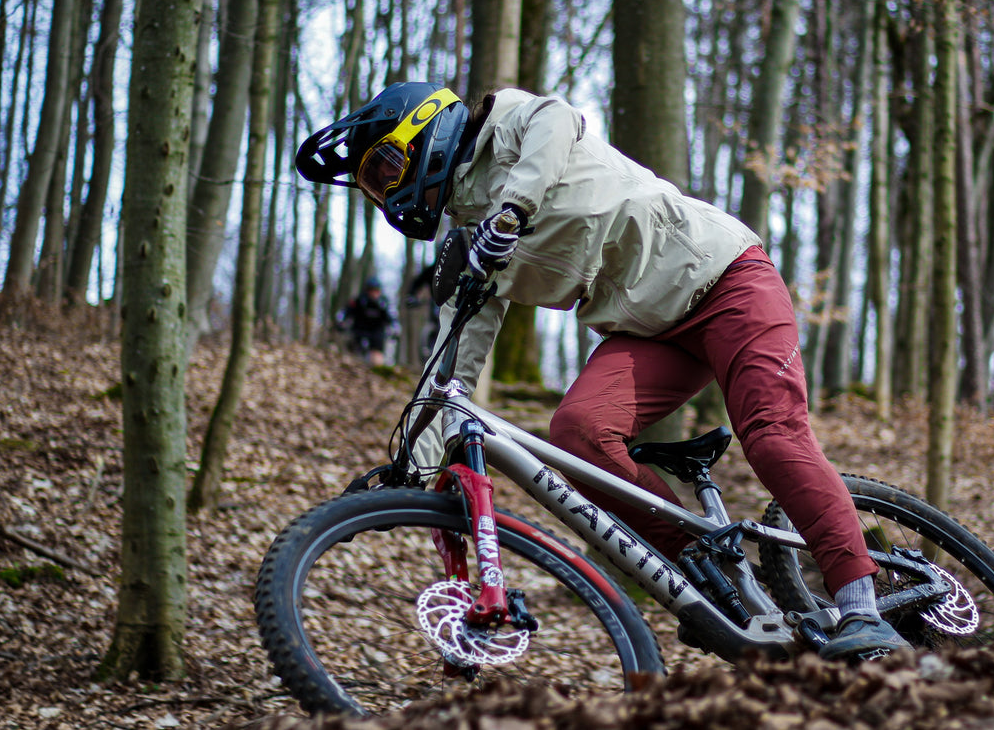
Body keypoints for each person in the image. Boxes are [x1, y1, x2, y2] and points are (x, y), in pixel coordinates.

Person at [296, 81, 907, 661]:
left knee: (771, 435)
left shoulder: (510, 122)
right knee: (578, 434)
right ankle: (709, 573)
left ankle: (861, 604)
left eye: (385, 169)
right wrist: (410, 469)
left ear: (424, 130)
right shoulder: (469, 247)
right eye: (372, 187)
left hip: (726, 279)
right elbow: (452, 364)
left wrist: (510, 213)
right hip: (649, 330)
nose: (386, 192)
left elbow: (558, 119)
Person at [338, 275, 396, 367]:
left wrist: (394, 329)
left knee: (377, 357)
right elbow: (345, 312)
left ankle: (375, 370)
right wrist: (341, 322)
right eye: (372, 290)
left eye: (376, 291)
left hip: (377, 332)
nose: (374, 293)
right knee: (355, 352)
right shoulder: (359, 300)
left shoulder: (384, 303)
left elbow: (392, 317)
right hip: (359, 330)